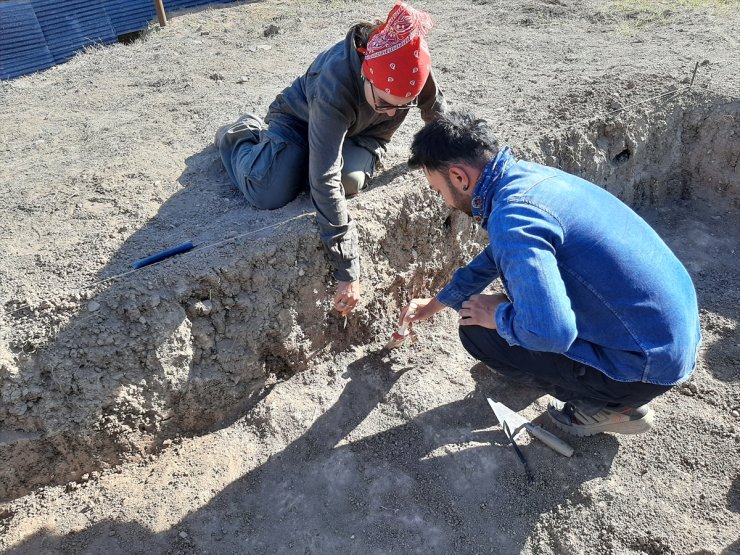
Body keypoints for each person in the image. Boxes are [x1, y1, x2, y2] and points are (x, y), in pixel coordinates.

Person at [402, 111, 701, 437]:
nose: (443, 200)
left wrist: (499, 317)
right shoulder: (526, 179)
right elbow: (496, 255)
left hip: (643, 367)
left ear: (459, 178)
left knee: (478, 329)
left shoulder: (511, 218)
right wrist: (438, 302)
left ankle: (612, 407)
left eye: (437, 190)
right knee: (511, 302)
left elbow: (551, 332)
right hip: (668, 337)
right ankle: (574, 374)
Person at [215, 2, 446, 316]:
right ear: (366, 75)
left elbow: (438, 115)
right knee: (269, 192)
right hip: (300, 122)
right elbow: (323, 179)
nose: (392, 113)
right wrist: (347, 269)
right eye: (384, 103)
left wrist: (457, 156)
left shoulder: (410, 61)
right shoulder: (334, 81)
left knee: (349, 182)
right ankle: (241, 134)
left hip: (360, 133)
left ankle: (312, 152)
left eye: (402, 106)